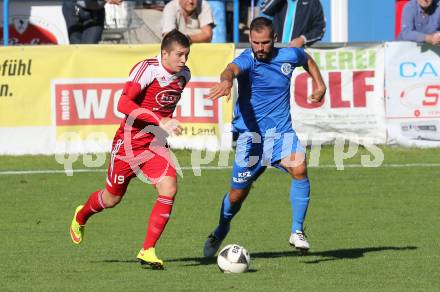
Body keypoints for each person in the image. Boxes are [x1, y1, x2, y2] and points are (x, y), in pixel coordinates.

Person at [203, 17, 326, 257]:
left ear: (275, 40)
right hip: (251, 140)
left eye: (265, 43)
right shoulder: (247, 60)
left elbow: (307, 59)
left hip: (281, 133)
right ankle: (220, 229)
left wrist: (320, 85)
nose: (259, 48)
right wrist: (227, 81)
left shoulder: (290, 55)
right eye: (255, 42)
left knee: (300, 168)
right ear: (250, 39)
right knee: (237, 195)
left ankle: (297, 231)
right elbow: (230, 69)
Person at [69, 29, 191, 270]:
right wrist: (160, 120)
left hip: (154, 144)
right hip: (128, 143)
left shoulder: (183, 75)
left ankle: (147, 250)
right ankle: (81, 216)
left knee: (169, 187)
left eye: (186, 55)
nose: (184, 60)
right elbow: (123, 104)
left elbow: (163, 103)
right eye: (179, 55)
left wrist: (163, 124)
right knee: (112, 198)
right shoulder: (147, 69)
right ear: (164, 53)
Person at [260, 0, 325, 47]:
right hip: (276, 51)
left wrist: (303, 39)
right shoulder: (279, 2)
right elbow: (264, 9)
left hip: (298, 53)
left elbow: (320, 28)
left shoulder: (313, 2)